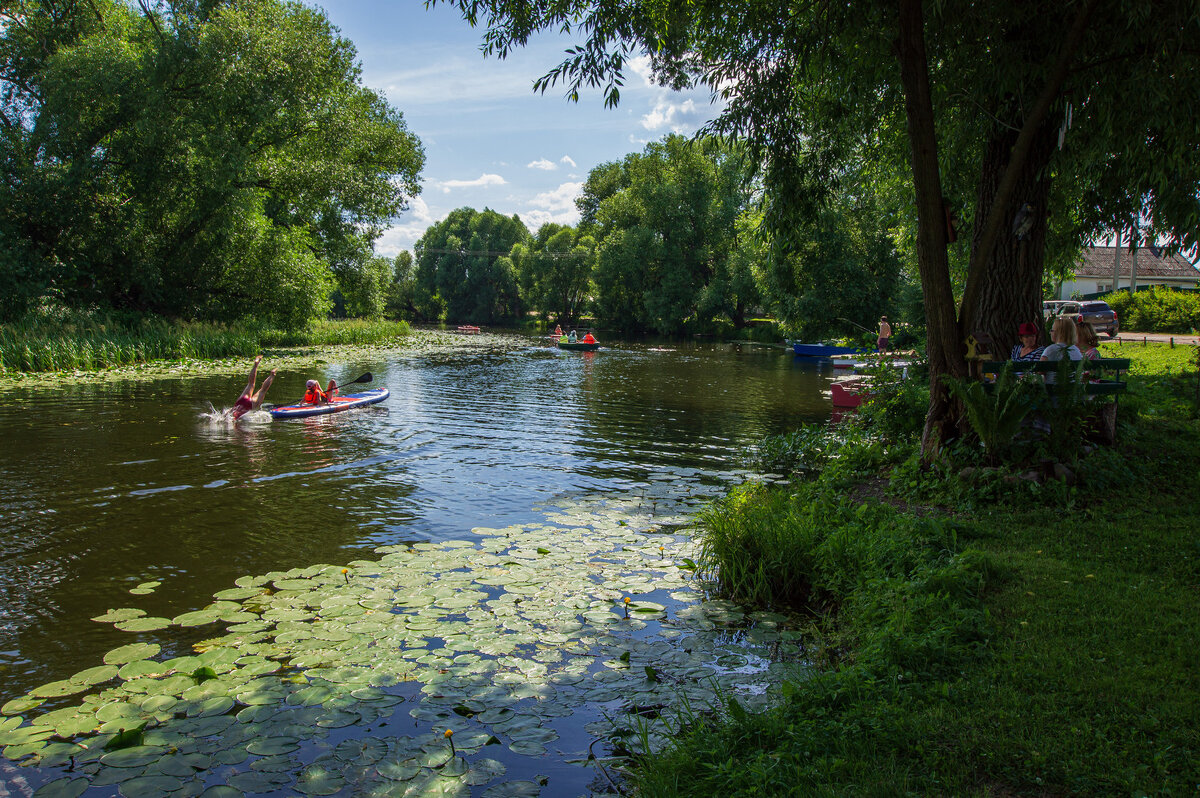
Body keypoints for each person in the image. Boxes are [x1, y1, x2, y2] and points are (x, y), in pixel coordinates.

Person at [1040, 316, 1082, 384]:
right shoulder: (1077, 350)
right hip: (1073, 391)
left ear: (1059, 333)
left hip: (1053, 391)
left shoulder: (1050, 350)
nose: (1050, 333)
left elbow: (1040, 372)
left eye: (1052, 330)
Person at [231, 355, 275, 420]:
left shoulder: (232, 415)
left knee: (259, 388)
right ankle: (270, 373)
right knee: (254, 386)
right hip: (246, 404)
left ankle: (269, 373)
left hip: (240, 403)